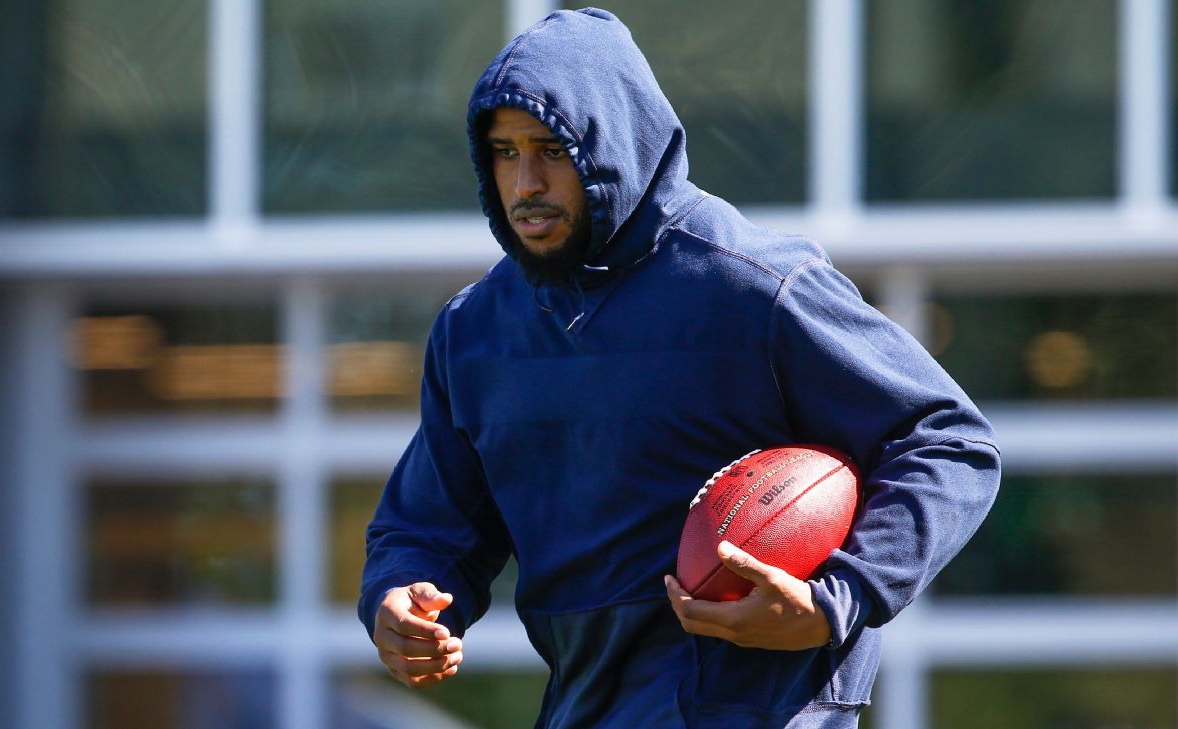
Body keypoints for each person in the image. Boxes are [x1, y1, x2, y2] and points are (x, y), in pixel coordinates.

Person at [359, 8, 1000, 728]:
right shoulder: (474, 331)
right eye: (505, 153)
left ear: (613, 142)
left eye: (551, 149)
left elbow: (946, 441)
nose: (526, 182)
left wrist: (836, 599)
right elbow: (427, 525)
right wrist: (402, 594)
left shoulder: (754, 287)